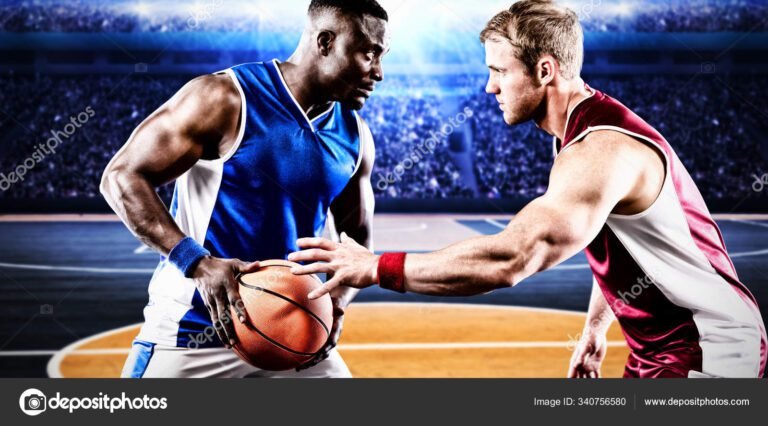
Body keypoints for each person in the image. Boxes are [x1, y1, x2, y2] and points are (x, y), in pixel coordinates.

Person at [288, 0, 767, 378]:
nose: (489, 88)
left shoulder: (599, 152)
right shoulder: (577, 133)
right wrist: (596, 329)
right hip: (662, 346)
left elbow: (512, 258)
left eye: (499, 71)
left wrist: (375, 267)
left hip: (710, 347)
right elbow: (619, 245)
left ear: (544, 70)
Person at [101, 0, 390, 378]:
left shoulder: (356, 137)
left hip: (291, 329)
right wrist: (198, 263)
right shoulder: (224, 98)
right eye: (369, 53)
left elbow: (357, 245)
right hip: (197, 328)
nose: (379, 72)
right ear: (324, 42)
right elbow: (121, 177)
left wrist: (337, 302)